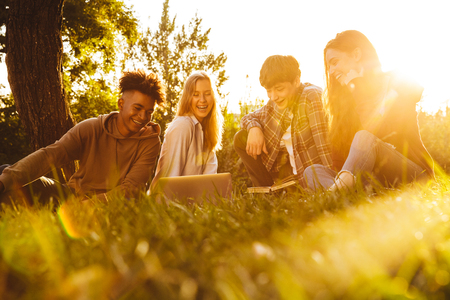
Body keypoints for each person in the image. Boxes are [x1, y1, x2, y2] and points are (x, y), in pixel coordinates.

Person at [0, 69, 165, 205]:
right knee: (6, 175)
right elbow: (51, 155)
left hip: (110, 206)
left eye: (149, 112)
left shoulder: (150, 141)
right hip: (72, 197)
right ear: (121, 104)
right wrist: (4, 180)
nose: (143, 116)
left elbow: (131, 188)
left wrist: (89, 205)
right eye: (137, 108)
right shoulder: (92, 128)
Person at [304, 30, 434, 192]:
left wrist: (358, 87)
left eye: (335, 62)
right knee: (313, 171)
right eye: (329, 65)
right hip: (373, 178)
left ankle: (334, 194)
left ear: (356, 54)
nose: (330, 71)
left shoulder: (397, 84)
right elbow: (340, 161)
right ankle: (352, 192)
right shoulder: (345, 101)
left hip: (412, 173)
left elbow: (385, 132)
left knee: (364, 137)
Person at [234, 55, 333, 188]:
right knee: (240, 137)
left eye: (279, 89)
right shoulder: (275, 103)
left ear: (296, 81)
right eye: (269, 91)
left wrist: (335, 181)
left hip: (312, 175)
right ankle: (265, 192)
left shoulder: (311, 97)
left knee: (313, 174)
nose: (273, 97)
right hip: (289, 177)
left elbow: (324, 146)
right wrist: (254, 128)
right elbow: (248, 117)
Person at [150, 71, 223, 191]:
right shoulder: (183, 126)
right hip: (167, 204)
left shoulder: (207, 131)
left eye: (207, 93)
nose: (202, 100)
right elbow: (171, 179)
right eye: (196, 94)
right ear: (188, 98)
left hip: (192, 204)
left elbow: (209, 180)